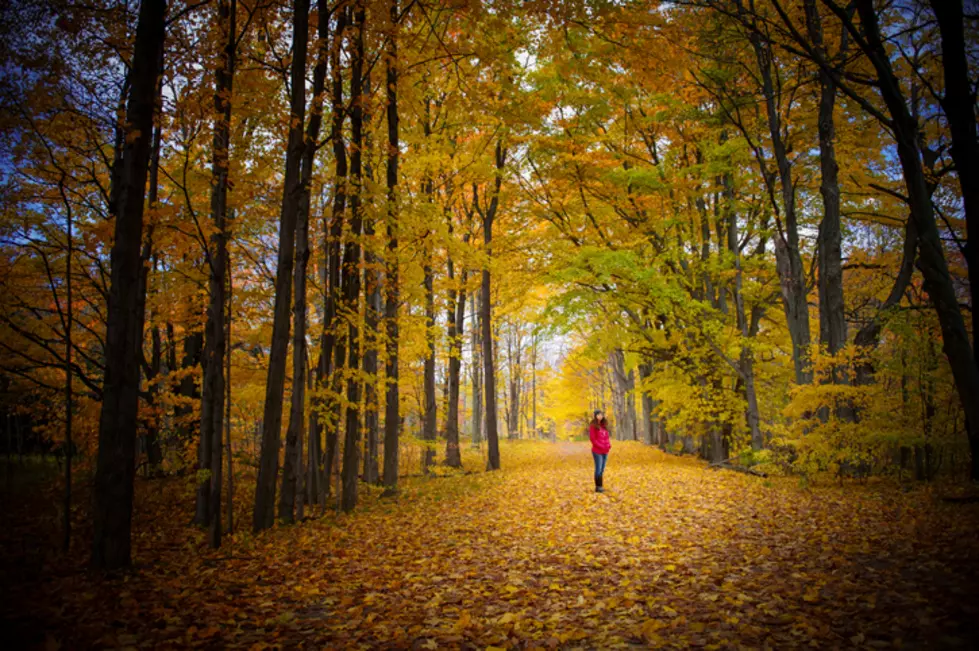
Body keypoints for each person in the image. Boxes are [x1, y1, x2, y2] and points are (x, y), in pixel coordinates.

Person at [589, 410, 611, 492]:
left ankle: (600, 486)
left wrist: (609, 445)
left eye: (601, 414)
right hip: (597, 451)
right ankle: (598, 487)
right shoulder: (593, 426)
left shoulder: (604, 425)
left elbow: (607, 438)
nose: (600, 416)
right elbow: (592, 439)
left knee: (602, 469)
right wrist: (600, 446)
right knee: (598, 468)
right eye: (598, 415)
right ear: (595, 416)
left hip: (605, 451)